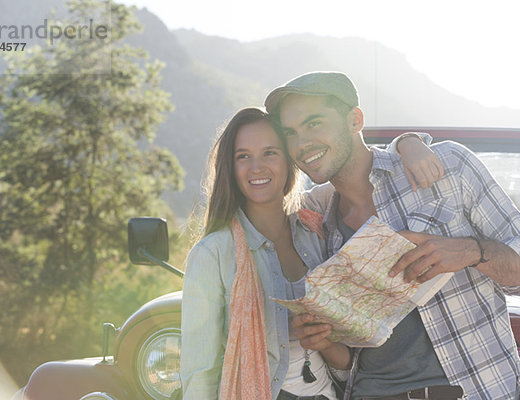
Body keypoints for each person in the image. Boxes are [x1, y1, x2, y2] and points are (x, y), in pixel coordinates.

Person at [264, 71, 520, 400]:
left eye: (314, 123)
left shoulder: (448, 167)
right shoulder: (315, 220)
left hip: (470, 388)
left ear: (355, 120)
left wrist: (470, 252)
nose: (302, 145)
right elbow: (350, 364)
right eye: (291, 133)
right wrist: (323, 339)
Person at [180, 107, 442, 400]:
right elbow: (199, 371)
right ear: (230, 167)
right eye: (243, 156)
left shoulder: (315, 225)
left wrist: (407, 142)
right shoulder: (212, 254)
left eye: (270, 152)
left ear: (290, 161)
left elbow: (361, 170)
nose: (257, 167)